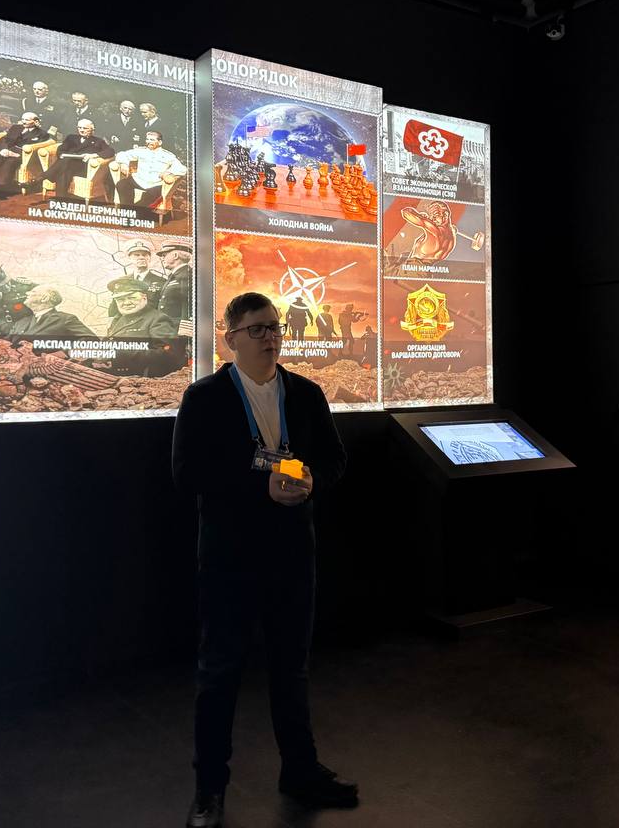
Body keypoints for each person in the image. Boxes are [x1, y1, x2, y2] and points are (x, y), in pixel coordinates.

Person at [172, 292, 356, 828]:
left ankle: (300, 771)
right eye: (256, 329)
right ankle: (209, 789)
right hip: (230, 557)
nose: (270, 337)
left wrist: (310, 479)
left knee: (291, 669)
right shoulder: (204, 398)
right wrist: (262, 487)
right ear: (230, 338)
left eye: (275, 328)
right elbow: (187, 474)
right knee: (220, 672)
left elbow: (334, 459)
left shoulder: (307, 393)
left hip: (292, 553)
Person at [104, 277, 181, 376]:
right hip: (113, 374)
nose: (126, 303)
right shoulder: (118, 319)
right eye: (120, 299)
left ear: (144, 297)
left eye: (132, 298)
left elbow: (168, 353)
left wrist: (120, 354)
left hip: (142, 378)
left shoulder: (157, 319)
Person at [38, 119, 114, 198]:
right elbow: (60, 150)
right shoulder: (71, 138)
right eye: (79, 128)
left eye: (85, 128)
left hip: (82, 169)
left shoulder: (98, 141)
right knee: (64, 171)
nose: (81, 130)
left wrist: (93, 155)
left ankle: (41, 178)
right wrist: (63, 155)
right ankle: (60, 199)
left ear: (92, 129)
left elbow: (110, 151)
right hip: (67, 166)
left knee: (65, 163)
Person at [111, 130, 188, 208]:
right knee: (122, 184)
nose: (148, 142)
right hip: (139, 180)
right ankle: (128, 209)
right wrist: (124, 164)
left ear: (160, 142)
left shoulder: (168, 156)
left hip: (155, 184)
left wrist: (167, 173)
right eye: (147, 139)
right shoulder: (140, 151)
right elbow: (121, 154)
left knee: (150, 196)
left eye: (152, 140)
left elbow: (182, 169)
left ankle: (136, 211)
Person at [0, 112, 51, 199]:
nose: (24, 122)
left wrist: (15, 154)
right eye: (23, 119)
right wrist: (3, 149)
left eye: (27, 120)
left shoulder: (41, 133)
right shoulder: (15, 128)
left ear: (35, 121)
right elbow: (4, 139)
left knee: (10, 162)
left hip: (22, 153)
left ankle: (1, 189)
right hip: (8, 149)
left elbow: (36, 147)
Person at [8, 285, 95, 342]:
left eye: (33, 292)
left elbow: (91, 340)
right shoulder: (21, 323)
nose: (27, 293)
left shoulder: (65, 319)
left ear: (44, 298)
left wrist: (61, 353)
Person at [155, 241, 192, 329]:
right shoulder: (175, 275)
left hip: (177, 328)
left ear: (175, 255)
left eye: (164, 255)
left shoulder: (188, 275)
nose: (162, 259)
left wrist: (185, 329)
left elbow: (188, 304)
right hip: (167, 327)